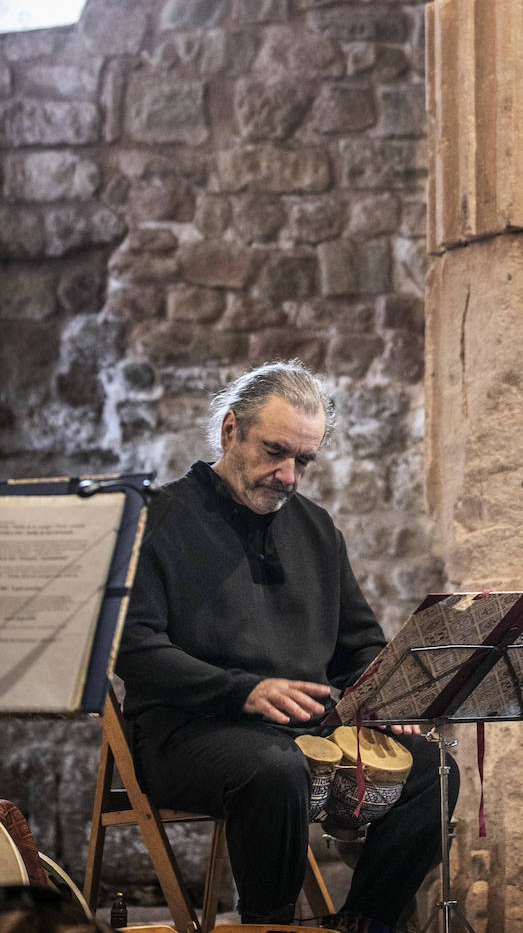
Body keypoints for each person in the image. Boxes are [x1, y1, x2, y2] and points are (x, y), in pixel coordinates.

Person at [117, 360, 457, 933]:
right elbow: (133, 648)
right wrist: (243, 692)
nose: (289, 475)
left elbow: (360, 647)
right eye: (276, 452)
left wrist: (388, 698)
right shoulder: (157, 519)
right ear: (231, 431)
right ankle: (267, 926)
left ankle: (362, 921)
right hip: (187, 731)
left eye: (304, 460)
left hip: (303, 730)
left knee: (433, 770)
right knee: (276, 770)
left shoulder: (317, 528)